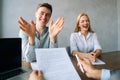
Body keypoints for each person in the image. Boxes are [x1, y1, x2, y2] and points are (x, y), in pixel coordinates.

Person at [18, 3, 64, 68]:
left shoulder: (52, 31)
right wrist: (32, 37)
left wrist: (53, 37)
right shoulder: (24, 31)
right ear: (36, 14)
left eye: (47, 15)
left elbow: (53, 57)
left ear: (50, 17)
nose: (44, 17)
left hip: (47, 66)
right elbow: (30, 59)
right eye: (41, 13)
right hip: (28, 67)